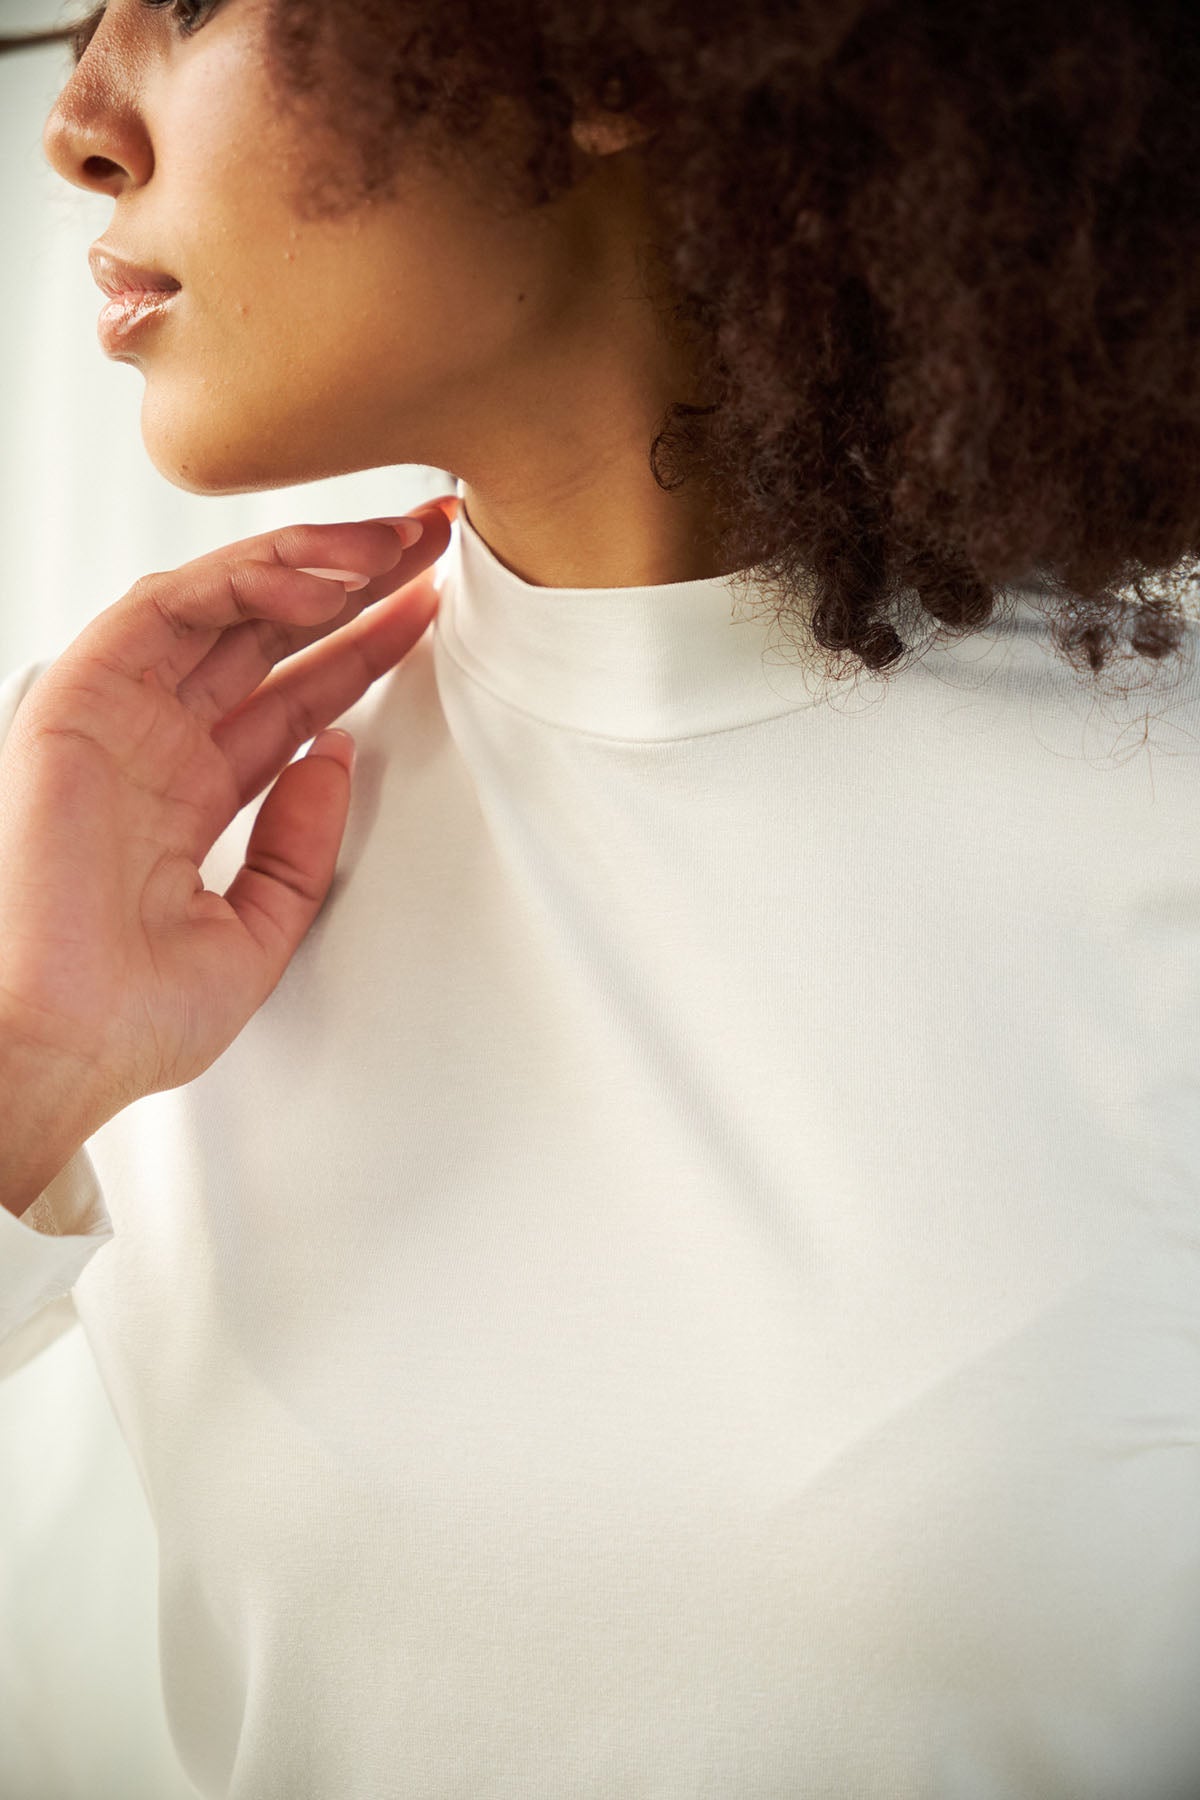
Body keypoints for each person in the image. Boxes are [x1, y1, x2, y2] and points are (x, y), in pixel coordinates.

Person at [2, 1, 1200, 1795]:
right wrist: (28, 1066)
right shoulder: (161, 847)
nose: (79, 125)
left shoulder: (1155, 827)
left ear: (617, 51)